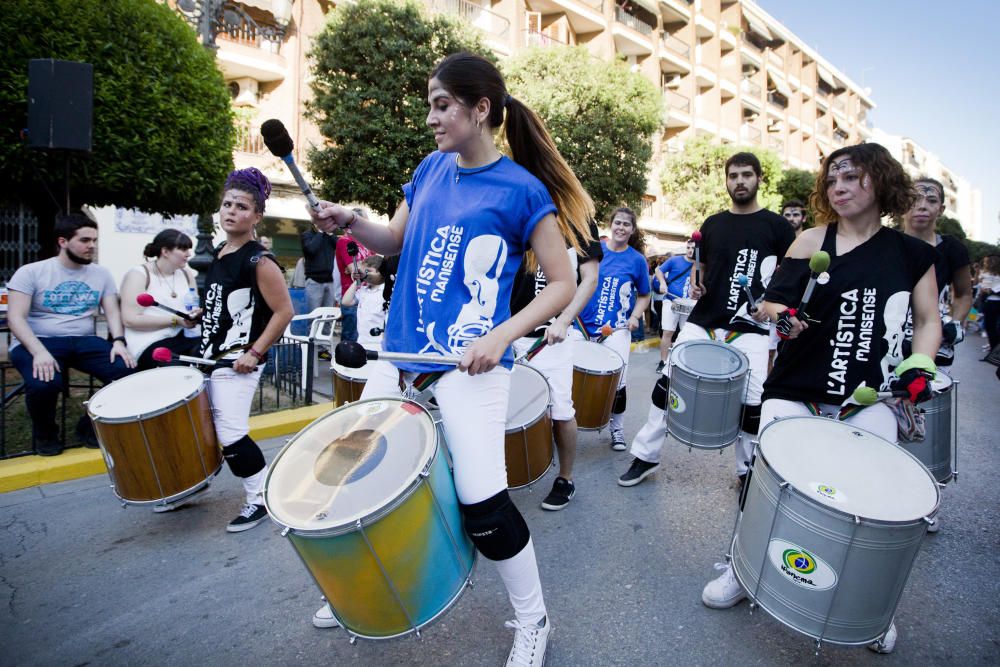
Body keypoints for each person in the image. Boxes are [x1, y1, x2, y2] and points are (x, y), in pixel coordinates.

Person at [308, 52, 593, 667]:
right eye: (431, 105)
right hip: (402, 352)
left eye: (442, 105)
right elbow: (392, 240)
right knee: (361, 479)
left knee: (483, 503)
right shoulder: (431, 168)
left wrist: (502, 337)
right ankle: (363, 591)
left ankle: (533, 619)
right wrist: (350, 220)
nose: (431, 117)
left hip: (473, 364)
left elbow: (562, 284)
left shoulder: (523, 189)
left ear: (480, 109)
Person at [700, 142, 941, 656]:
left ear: (879, 181)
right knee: (770, 488)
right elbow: (774, 304)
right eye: (832, 180)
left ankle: (872, 609)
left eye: (852, 178)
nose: (839, 188)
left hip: (869, 397)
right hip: (796, 387)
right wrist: (781, 317)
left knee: (872, 504)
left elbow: (927, 322)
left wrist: (919, 368)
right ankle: (743, 569)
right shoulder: (811, 239)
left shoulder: (912, 253)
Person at [618, 152, 794, 488]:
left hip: (752, 325)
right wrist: (698, 282)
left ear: (758, 179)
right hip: (704, 319)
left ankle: (747, 471)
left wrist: (772, 303)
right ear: (726, 180)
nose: (739, 181)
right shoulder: (713, 223)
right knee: (667, 384)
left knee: (754, 400)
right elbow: (702, 266)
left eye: (746, 175)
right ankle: (645, 456)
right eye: (733, 176)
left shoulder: (777, 227)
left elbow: (790, 274)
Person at [200, 167, 293, 532]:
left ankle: (260, 497)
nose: (231, 211)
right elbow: (225, 301)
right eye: (227, 204)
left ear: (257, 216)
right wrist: (199, 314)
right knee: (209, 427)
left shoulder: (260, 260)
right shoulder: (220, 251)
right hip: (211, 355)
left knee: (231, 431)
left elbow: (284, 311)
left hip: (239, 360)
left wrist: (254, 353)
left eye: (241, 206)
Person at [7, 214, 136, 456]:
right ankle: (45, 436)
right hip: (38, 340)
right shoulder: (31, 272)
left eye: (95, 240)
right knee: (44, 384)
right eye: (85, 240)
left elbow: (112, 312)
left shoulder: (102, 274)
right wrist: (39, 352)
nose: (92, 246)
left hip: (82, 339)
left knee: (127, 372)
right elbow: (16, 317)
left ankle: (89, 427)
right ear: (63, 241)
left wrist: (118, 341)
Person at [510, 219, 601, 510]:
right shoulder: (519, 210)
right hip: (508, 331)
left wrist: (564, 320)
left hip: (552, 337)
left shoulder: (578, 219)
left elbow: (589, 278)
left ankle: (565, 478)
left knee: (561, 412)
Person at [576, 207, 651, 451]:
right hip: (582, 327)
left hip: (617, 328)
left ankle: (617, 430)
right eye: (617, 222)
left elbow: (644, 295)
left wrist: (635, 316)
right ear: (611, 224)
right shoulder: (594, 249)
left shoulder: (637, 260)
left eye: (626, 224)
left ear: (632, 229)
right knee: (566, 375)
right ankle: (562, 425)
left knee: (619, 381)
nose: (620, 227)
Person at [901, 178, 972, 367]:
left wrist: (956, 323)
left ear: (941, 209)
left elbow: (964, 293)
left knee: (925, 392)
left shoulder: (953, 248)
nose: (922, 206)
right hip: (887, 339)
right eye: (914, 198)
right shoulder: (884, 244)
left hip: (935, 343)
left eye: (931, 200)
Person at [120, 229, 202, 370]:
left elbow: (192, 306)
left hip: (184, 337)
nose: (188, 254)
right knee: (177, 369)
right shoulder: (139, 275)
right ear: (165, 251)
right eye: (183, 249)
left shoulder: (186, 274)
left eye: (189, 249)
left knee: (213, 353)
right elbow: (130, 320)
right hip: (150, 342)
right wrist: (176, 320)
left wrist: (195, 315)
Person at [653, 238, 696, 373]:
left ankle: (682, 362)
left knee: (686, 334)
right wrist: (662, 283)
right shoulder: (674, 260)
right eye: (688, 247)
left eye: (693, 248)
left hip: (689, 305)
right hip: (671, 301)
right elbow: (658, 271)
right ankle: (663, 361)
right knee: (668, 332)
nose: (690, 250)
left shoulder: (700, 265)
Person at [334, 210, 373, 342]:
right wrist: (365, 269)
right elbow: (355, 270)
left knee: (366, 336)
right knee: (351, 339)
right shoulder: (344, 241)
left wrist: (364, 268)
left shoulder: (367, 242)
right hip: (352, 296)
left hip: (369, 294)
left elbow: (376, 265)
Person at [340, 254, 388, 346]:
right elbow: (346, 301)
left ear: (380, 272)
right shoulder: (363, 291)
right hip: (362, 341)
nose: (365, 274)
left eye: (368, 271)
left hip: (378, 343)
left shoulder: (385, 291)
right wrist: (357, 280)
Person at [300, 224, 339, 312]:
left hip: (331, 281)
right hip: (315, 281)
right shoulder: (307, 235)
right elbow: (310, 249)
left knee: (329, 315)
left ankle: (327, 326)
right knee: (313, 315)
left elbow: (340, 246)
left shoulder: (330, 235)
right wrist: (320, 233)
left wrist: (331, 234)